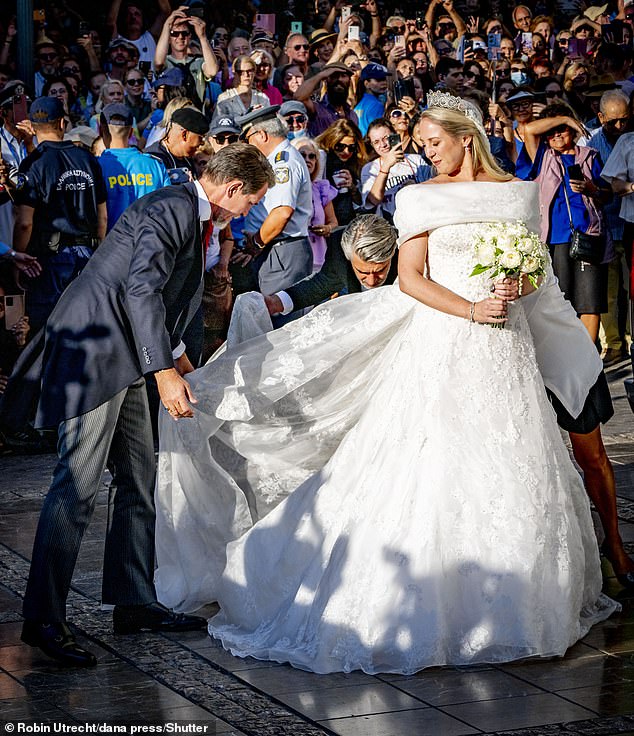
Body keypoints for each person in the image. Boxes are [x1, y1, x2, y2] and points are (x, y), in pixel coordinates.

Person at [153, 94, 618, 673]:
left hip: (508, 349)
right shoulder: (420, 197)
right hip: (446, 344)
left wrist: (512, 288)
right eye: (421, 145)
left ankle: (519, 602)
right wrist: (471, 309)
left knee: (509, 458)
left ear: (465, 137)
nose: (426, 153)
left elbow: (536, 272)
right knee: (432, 459)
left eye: (433, 143)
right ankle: (429, 604)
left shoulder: (515, 196)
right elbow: (410, 279)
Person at [9, 143, 274, 668]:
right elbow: (141, 291)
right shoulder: (172, 206)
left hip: (129, 356)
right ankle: (42, 620)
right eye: (254, 200)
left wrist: (178, 361)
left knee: (138, 479)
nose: (252, 212)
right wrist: (164, 373)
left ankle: (133, 603)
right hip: (96, 353)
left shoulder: (190, 214)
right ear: (233, 188)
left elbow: (162, 297)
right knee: (76, 486)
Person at [13, 97, 108, 334]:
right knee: (85, 326)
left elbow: (25, 222)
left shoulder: (33, 164)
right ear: (63, 123)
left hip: (49, 259)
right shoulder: (87, 159)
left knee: (49, 330)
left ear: (33, 127)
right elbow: (102, 216)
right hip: (86, 255)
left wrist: (18, 258)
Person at [235, 106, 313, 301]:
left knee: (283, 323)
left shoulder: (283, 163)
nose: (247, 145)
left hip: (281, 251)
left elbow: (282, 212)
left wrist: (256, 243)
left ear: (261, 134)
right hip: (274, 250)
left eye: (247, 138)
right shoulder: (276, 160)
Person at [264, 213, 398, 317]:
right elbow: (323, 283)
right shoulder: (338, 247)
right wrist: (276, 302)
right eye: (363, 272)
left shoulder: (408, 249)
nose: (371, 280)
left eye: (380, 270)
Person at [98, 103, 171, 231]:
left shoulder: (96, 167)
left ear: (100, 130)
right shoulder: (155, 165)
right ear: (131, 132)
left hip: (112, 246)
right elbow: (168, 209)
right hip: (150, 244)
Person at [361, 117, 433, 224]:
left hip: (419, 219)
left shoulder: (416, 160)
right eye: (376, 142)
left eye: (386, 138)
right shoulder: (370, 168)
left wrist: (414, 187)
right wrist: (385, 167)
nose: (383, 145)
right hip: (389, 225)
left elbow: (433, 188)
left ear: (395, 135)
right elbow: (374, 200)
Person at [291, 137, 338, 273]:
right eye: (302, 155)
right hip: (293, 258)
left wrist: (327, 229)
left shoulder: (321, 188)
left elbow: (333, 222)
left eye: (312, 156)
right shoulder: (285, 189)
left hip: (319, 257)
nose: (307, 160)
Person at [146, 106, 208, 182]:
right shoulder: (153, 160)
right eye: (201, 137)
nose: (202, 143)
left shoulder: (188, 159)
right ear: (184, 135)